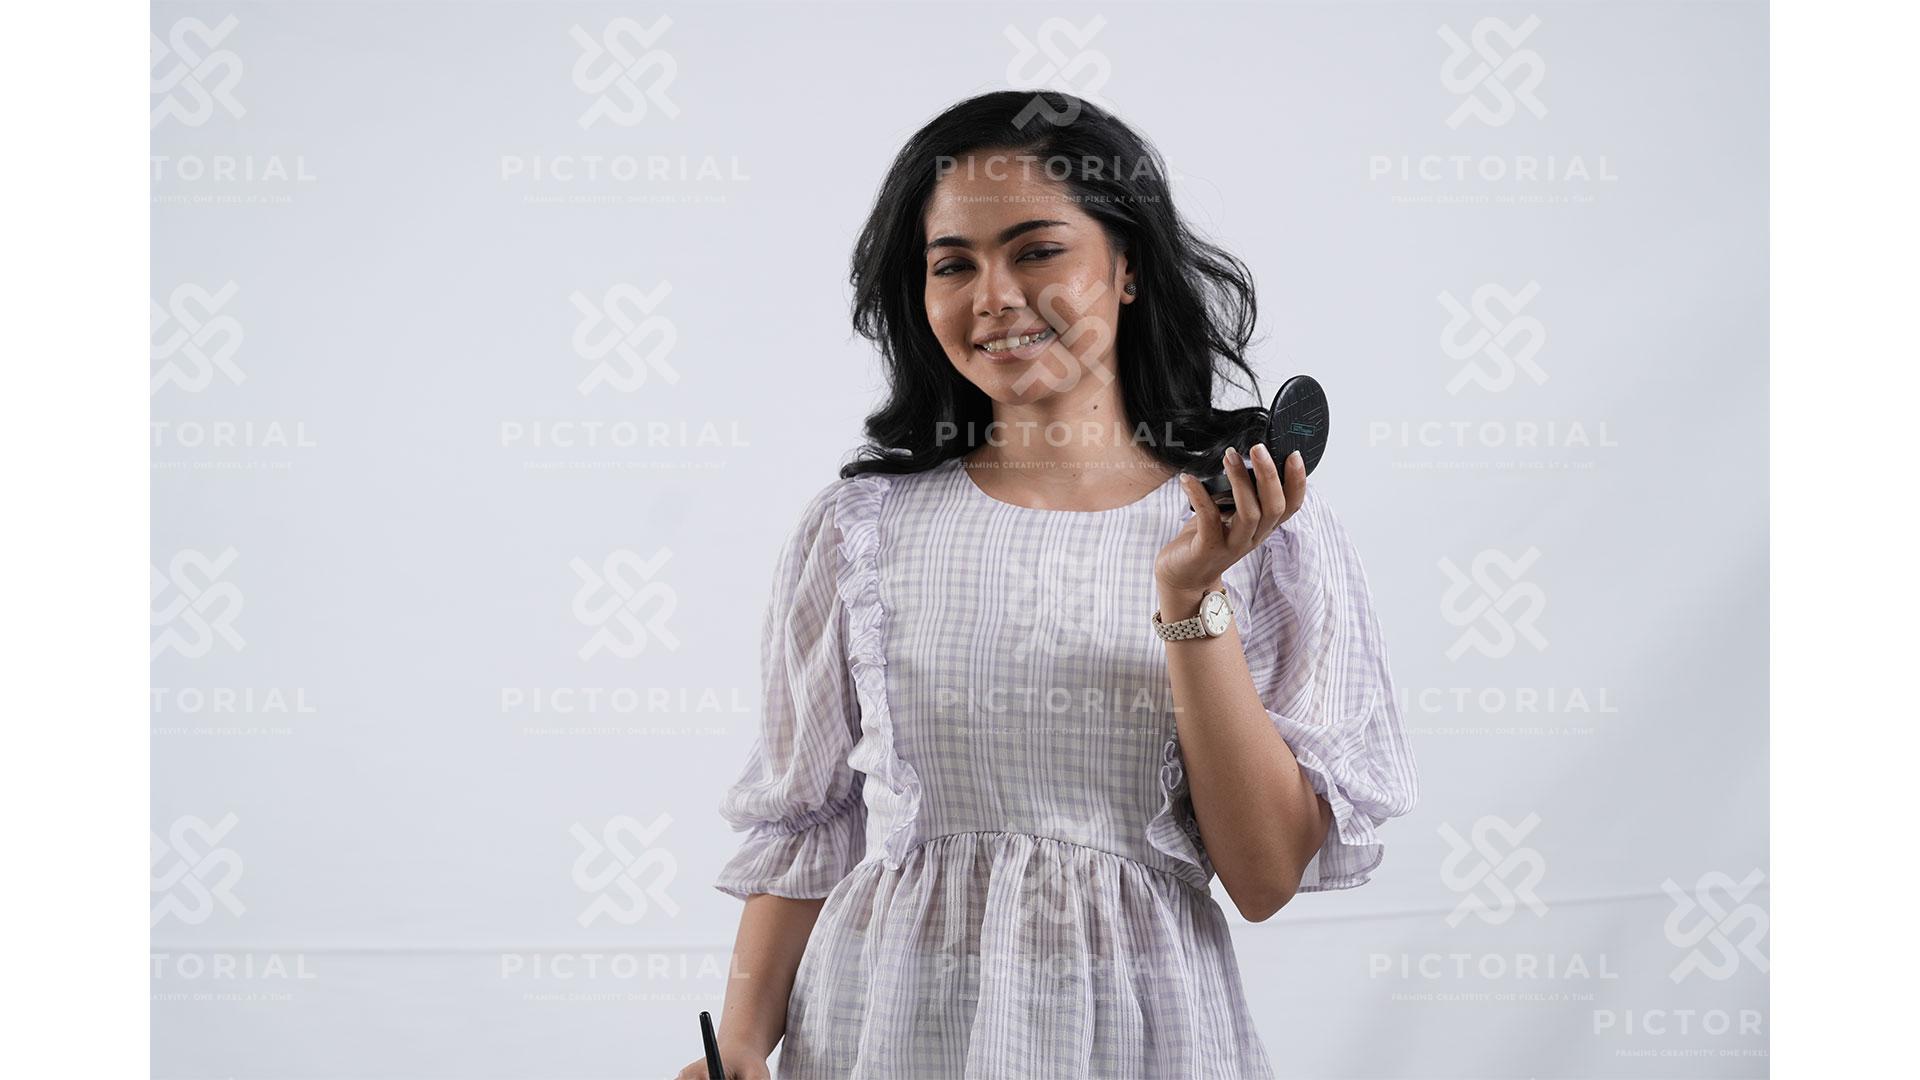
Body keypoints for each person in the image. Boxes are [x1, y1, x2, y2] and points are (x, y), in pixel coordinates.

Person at [676, 90, 1418, 1080]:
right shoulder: (856, 529)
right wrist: (734, 1051)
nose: (994, 295)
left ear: (1128, 267)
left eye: (1036, 251)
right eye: (954, 264)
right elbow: (806, 827)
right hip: (885, 1031)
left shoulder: (1259, 526)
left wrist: (1190, 597)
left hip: (1142, 1039)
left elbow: (1263, 875)